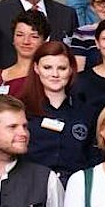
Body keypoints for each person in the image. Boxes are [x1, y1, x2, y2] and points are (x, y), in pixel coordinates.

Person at [19, 42, 89, 182]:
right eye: (47, 67)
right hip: (32, 187)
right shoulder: (20, 110)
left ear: (71, 70)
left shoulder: (86, 110)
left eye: (62, 68)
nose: (55, 74)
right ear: (36, 68)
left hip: (75, 188)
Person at [0, 9, 45, 98]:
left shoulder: (48, 77)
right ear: (13, 39)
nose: (26, 41)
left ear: (44, 41)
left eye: (34, 36)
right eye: (20, 35)